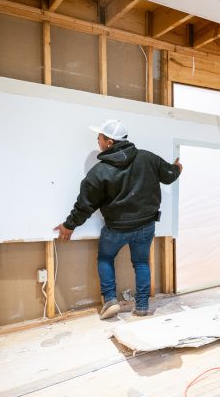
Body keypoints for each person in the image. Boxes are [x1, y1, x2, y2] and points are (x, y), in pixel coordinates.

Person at [55, 119, 183, 319]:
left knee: (106, 258)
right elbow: (169, 174)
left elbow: (85, 205)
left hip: (116, 229)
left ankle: (110, 302)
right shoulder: (147, 158)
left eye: (100, 137)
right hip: (145, 225)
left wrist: (68, 226)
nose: (97, 140)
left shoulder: (99, 172)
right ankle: (141, 306)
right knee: (141, 262)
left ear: (110, 142)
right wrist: (177, 168)